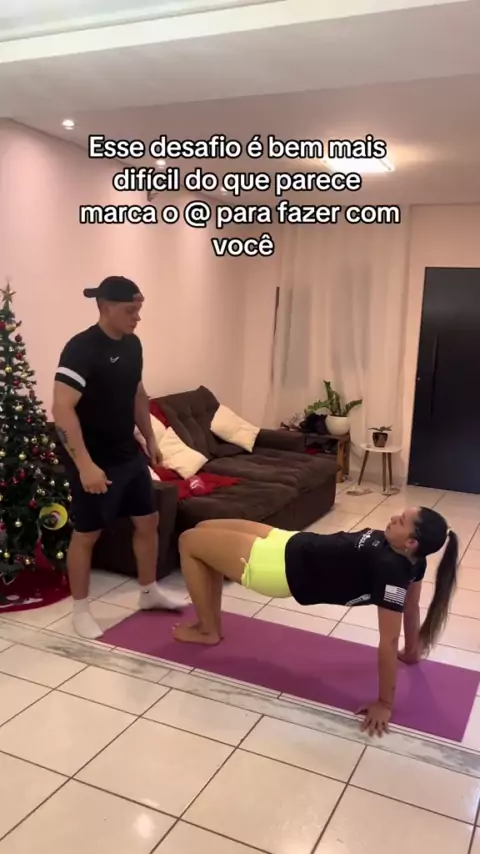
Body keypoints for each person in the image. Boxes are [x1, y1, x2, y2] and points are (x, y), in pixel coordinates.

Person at [173, 507, 458, 736]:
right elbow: (412, 607)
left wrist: (385, 703)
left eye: (402, 521)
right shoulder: (414, 558)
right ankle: (210, 623)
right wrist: (412, 651)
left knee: (188, 541)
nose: (394, 517)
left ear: (411, 543)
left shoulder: (392, 572)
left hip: (277, 567)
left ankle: (208, 630)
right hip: (290, 541)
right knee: (203, 527)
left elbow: (389, 638)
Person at [53, 276, 183, 639]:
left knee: (148, 521)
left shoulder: (133, 344)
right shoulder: (81, 348)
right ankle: (80, 610)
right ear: (106, 307)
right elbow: (62, 408)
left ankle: (148, 592)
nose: (137, 317)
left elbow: (138, 393)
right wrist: (85, 465)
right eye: (130, 310)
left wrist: (151, 437)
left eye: (139, 309)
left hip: (127, 452)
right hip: (93, 459)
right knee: (86, 534)